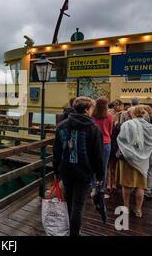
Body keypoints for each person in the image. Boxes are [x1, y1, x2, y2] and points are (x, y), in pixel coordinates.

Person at [53, 97, 105, 236]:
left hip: (65, 170)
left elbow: (56, 151)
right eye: (92, 109)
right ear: (87, 109)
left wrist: (56, 171)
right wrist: (100, 176)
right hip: (84, 172)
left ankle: (72, 230)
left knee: (69, 203)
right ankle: (74, 233)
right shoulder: (94, 129)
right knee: (78, 205)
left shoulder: (61, 126)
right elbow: (98, 156)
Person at [117, 106, 152, 217]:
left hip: (128, 158)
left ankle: (126, 208)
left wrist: (129, 151)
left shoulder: (127, 124)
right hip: (143, 160)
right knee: (141, 186)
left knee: (126, 185)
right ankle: (138, 210)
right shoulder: (149, 126)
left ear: (132, 113)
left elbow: (121, 139)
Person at [91, 97, 113, 198]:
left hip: (94, 143)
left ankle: (93, 188)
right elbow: (110, 131)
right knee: (103, 167)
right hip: (105, 143)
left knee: (93, 166)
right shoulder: (109, 116)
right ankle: (101, 189)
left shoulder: (92, 116)